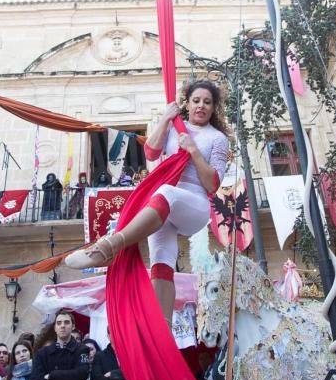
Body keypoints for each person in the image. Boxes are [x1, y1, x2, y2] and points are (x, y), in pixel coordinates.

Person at [66, 80, 229, 327]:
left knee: (166, 192)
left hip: (193, 204)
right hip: (163, 206)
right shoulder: (176, 127)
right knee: (161, 263)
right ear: (188, 103)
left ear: (214, 107)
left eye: (207, 102)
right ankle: (161, 328)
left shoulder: (217, 139)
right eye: (196, 100)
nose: (201, 106)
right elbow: (151, 153)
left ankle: (107, 248)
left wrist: (194, 151)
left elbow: (212, 184)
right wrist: (165, 119)